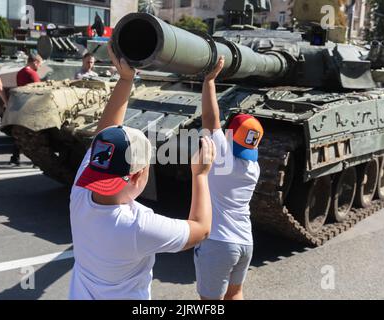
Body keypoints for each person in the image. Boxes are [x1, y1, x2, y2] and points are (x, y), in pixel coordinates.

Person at [68, 44, 216, 300]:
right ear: (139, 176)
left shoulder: (81, 191)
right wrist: (200, 175)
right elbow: (201, 230)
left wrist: (126, 80)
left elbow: (103, 134)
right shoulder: (137, 227)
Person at [194, 56, 264, 300]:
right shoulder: (253, 168)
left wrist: (210, 80)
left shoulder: (223, 157)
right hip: (245, 242)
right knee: (235, 294)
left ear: (230, 133)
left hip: (219, 242)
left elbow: (210, 119)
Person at [10, 53, 44, 166]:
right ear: (35, 62)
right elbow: (39, 90)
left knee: (20, 134)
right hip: (31, 107)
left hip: (20, 106)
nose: (40, 67)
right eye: (39, 64)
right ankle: (36, 160)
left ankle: (15, 157)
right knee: (35, 135)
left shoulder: (20, 72)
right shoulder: (32, 73)